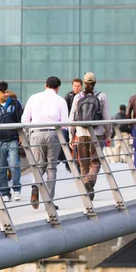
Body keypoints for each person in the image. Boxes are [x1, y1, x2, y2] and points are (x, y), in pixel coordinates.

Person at [21, 76, 69, 210]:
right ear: (58, 88)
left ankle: (35, 187)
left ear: (45, 85)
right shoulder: (60, 100)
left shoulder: (34, 97)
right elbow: (64, 123)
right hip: (53, 134)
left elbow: (25, 119)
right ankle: (49, 202)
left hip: (36, 133)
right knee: (51, 168)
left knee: (38, 165)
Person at [69, 72, 111, 200]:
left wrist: (71, 135)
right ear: (95, 82)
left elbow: (72, 118)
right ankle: (89, 181)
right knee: (95, 163)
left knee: (84, 164)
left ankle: (86, 192)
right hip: (96, 134)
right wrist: (108, 134)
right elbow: (107, 118)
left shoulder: (78, 97)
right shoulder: (102, 96)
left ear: (84, 83)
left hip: (81, 134)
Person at [0, 81, 23, 202]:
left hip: (13, 138)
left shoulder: (15, 103)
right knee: (1, 168)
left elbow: (21, 119)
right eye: (3, 92)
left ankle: (17, 190)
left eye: (7, 91)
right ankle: (5, 192)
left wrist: (22, 135)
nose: (6, 94)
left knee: (14, 165)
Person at [60, 78, 83, 170]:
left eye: (78, 86)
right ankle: (68, 163)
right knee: (67, 143)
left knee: (79, 145)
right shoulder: (68, 96)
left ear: (81, 86)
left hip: (80, 125)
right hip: (70, 124)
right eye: (75, 86)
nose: (76, 88)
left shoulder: (83, 96)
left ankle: (78, 164)